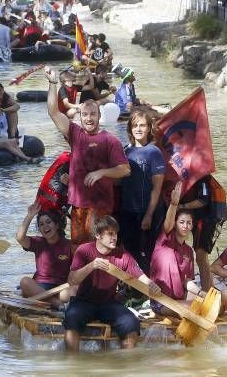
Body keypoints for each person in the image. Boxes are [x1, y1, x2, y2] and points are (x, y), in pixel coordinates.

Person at [45, 67, 130, 246]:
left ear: (100, 116)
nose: (89, 118)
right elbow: (53, 112)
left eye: (93, 114)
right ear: (80, 117)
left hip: (100, 206)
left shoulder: (110, 140)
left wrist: (102, 172)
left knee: (98, 250)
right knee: (78, 249)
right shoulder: (75, 133)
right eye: (85, 115)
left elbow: (124, 169)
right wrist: (52, 83)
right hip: (77, 206)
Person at [63, 216, 161, 351]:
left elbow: (140, 276)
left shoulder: (122, 254)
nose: (114, 237)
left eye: (115, 233)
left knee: (131, 323)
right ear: (98, 235)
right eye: (110, 233)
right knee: (71, 319)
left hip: (108, 303)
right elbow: (71, 280)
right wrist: (92, 265)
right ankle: (71, 362)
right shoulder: (84, 250)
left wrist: (151, 284)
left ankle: (125, 364)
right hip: (83, 301)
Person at [118, 110, 165, 271]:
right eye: (135, 125)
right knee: (130, 250)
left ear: (149, 128)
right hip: (127, 211)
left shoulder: (154, 152)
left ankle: (150, 287)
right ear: (130, 128)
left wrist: (149, 215)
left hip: (147, 211)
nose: (138, 128)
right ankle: (134, 288)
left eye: (142, 125)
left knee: (147, 252)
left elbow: (157, 188)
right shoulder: (125, 151)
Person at [149, 183, 204, 315]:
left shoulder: (189, 252)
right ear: (175, 224)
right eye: (181, 222)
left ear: (192, 226)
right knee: (192, 309)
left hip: (179, 300)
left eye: (189, 223)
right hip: (161, 301)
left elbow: (187, 281)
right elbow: (168, 222)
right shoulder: (165, 240)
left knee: (205, 307)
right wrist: (174, 204)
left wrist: (201, 293)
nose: (185, 226)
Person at [16, 202, 73, 308]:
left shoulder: (69, 245)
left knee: (74, 291)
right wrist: (30, 216)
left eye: (48, 222)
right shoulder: (38, 242)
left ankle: (46, 300)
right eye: (41, 224)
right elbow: (20, 238)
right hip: (39, 286)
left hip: (60, 289)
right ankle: (55, 303)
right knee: (24, 282)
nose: (45, 226)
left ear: (56, 225)